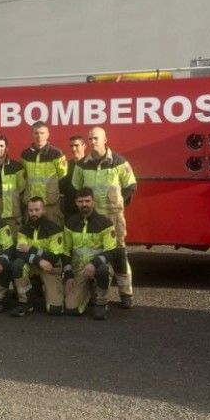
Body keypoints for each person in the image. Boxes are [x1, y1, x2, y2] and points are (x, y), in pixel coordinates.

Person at [72, 126, 137, 309]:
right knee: (95, 255)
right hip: (93, 219)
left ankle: (126, 294)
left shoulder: (118, 161)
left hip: (113, 217)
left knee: (119, 255)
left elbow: (131, 185)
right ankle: (97, 295)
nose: (93, 142)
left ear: (105, 139)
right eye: (90, 139)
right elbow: (77, 188)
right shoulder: (82, 165)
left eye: (96, 138)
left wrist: (119, 202)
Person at [62, 187, 116, 321]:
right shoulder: (70, 223)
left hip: (97, 266)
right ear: (76, 202)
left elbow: (111, 251)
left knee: (104, 271)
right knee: (71, 309)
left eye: (87, 201)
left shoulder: (105, 223)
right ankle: (87, 292)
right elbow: (65, 250)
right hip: (79, 269)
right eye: (81, 201)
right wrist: (68, 275)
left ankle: (101, 303)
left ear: (93, 202)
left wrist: (94, 263)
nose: (84, 204)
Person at [10, 196, 64, 317]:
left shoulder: (54, 229)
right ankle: (25, 303)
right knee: (18, 264)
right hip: (34, 265)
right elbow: (19, 252)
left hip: (50, 268)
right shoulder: (23, 229)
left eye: (37, 210)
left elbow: (54, 257)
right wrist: (38, 260)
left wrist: (31, 249)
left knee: (55, 309)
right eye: (30, 210)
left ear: (44, 210)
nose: (33, 213)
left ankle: (44, 290)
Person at [20, 121, 68, 225]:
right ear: (32, 134)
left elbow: (63, 176)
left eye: (42, 133)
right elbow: (23, 177)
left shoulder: (56, 153)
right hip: (31, 205)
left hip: (50, 204)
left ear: (48, 134)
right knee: (30, 236)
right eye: (36, 133)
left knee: (53, 234)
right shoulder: (25, 154)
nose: (39, 136)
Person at [60, 134, 86, 219]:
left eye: (77, 145)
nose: (73, 149)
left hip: (88, 210)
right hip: (70, 213)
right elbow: (61, 189)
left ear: (84, 146)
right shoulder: (66, 166)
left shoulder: (91, 165)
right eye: (71, 146)